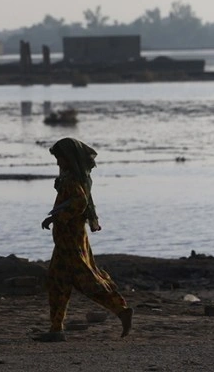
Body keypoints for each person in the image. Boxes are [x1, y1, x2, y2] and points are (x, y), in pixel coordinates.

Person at [36, 137, 133, 342]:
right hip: (66, 240)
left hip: (71, 241)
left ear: (68, 158)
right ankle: (56, 329)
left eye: (60, 158)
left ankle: (121, 310)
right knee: (57, 282)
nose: (58, 163)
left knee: (86, 281)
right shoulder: (70, 178)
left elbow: (79, 203)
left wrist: (57, 217)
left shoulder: (71, 180)